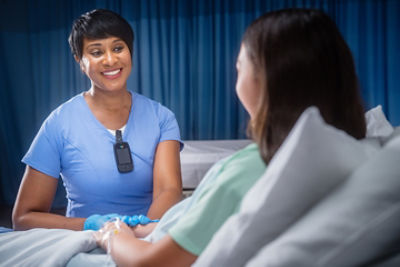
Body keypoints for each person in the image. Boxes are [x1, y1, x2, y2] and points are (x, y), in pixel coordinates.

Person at [94, 8, 367, 266]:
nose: (109, 59)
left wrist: (113, 234)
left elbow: (151, 261)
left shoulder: (252, 168)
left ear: (266, 79)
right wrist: (150, 228)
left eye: (239, 67)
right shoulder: (342, 153)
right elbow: (208, 224)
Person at [12, 9, 183, 231]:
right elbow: (23, 218)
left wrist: (140, 236)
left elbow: (168, 191)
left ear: (130, 51)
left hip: (147, 240)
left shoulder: (162, 118)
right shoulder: (59, 123)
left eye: (118, 48)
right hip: (83, 244)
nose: (110, 60)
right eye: (96, 52)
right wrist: (90, 226)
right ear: (80, 61)